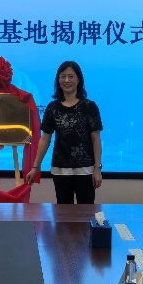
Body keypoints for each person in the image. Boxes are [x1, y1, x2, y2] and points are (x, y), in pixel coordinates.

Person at [25, 61, 103, 204]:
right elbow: (45, 139)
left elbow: (96, 139)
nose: (67, 80)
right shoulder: (52, 108)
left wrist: (97, 168)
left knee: (86, 213)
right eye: (63, 76)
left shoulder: (89, 106)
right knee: (63, 212)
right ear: (58, 80)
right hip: (60, 169)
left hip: (86, 170)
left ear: (78, 80)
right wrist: (35, 167)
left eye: (71, 76)